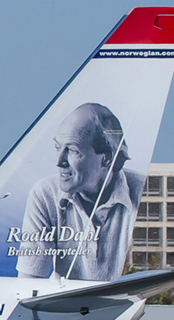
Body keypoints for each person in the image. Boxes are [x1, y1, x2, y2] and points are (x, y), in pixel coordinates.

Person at [15, 103, 145, 281]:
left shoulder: (141, 192)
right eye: (57, 147)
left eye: (73, 150)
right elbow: (28, 283)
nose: (59, 161)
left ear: (107, 158)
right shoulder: (45, 194)